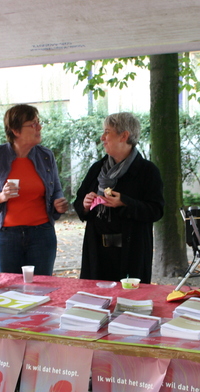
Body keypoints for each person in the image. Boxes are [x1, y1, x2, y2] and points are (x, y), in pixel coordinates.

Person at [0, 104, 69, 275]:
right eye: (33, 124)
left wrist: (58, 202)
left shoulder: (46, 156)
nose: (39, 127)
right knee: (9, 288)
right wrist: (0, 196)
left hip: (42, 235)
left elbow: (56, 190)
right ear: (15, 130)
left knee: (41, 288)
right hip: (6, 236)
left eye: (38, 122)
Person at [73, 112, 164, 284]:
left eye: (107, 132)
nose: (102, 138)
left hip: (131, 252)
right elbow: (78, 202)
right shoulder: (97, 168)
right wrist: (85, 204)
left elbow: (156, 211)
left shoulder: (147, 171)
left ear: (124, 136)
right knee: (95, 299)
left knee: (128, 301)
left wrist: (125, 202)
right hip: (97, 251)